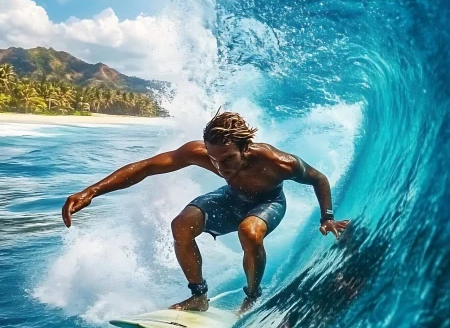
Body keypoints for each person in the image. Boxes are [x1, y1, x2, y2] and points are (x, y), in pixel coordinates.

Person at [62, 110, 350, 314]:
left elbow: (318, 178)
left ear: (245, 147)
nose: (220, 167)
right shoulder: (201, 154)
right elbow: (147, 167)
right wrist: (92, 191)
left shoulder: (278, 162)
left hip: (268, 203)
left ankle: (252, 296)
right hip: (230, 198)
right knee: (181, 224)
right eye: (213, 159)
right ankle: (198, 296)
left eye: (227, 159)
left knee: (249, 232)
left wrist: (327, 218)